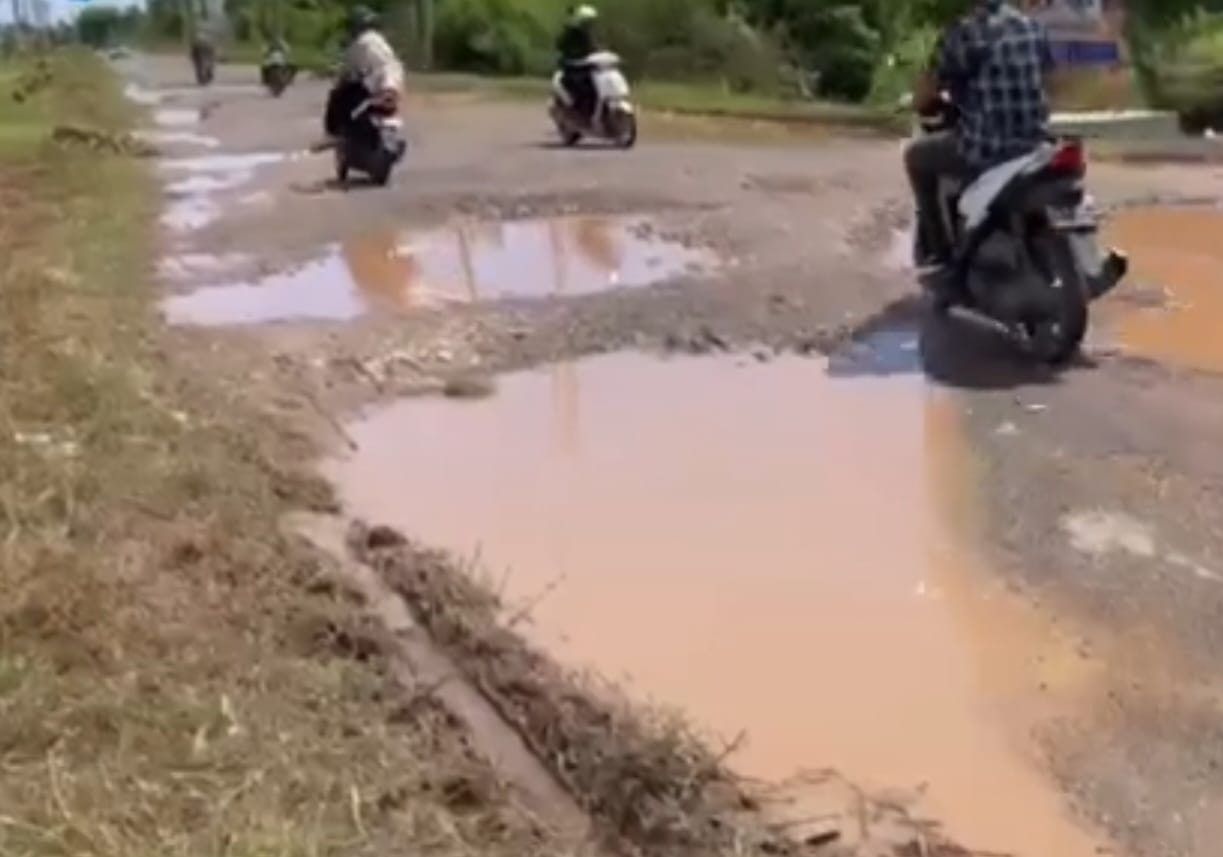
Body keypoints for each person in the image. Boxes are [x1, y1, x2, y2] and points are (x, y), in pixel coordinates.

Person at [905, 0, 1053, 274]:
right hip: (1035, 142)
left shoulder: (967, 32)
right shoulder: (1032, 27)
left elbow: (927, 92)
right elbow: (1048, 76)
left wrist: (920, 100)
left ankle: (940, 255)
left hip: (988, 145)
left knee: (915, 157)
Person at [324, 6, 405, 142]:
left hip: (373, 87)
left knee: (336, 96)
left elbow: (347, 71)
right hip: (393, 86)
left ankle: (334, 135)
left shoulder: (359, 43)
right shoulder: (381, 42)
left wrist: (341, 79)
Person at [556, 5, 599, 122]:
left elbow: (593, 48)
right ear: (582, 20)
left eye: (591, 21)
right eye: (588, 20)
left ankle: (593, 113)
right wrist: (574, 56)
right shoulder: (570, 32)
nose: (590, 23)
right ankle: (577, 112)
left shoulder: (588, 33)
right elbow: (561, 46)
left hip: (585, 66)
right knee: (583, 89)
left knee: (597, 84)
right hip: (572, 67)